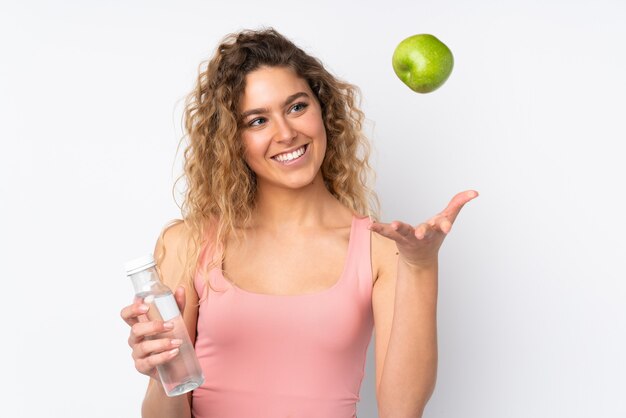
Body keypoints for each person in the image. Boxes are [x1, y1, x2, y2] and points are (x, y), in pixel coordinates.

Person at [120, 28, 477, 418]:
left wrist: (421, 265)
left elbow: (401, 410)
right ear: (231, 139)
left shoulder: (380, 249)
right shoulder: (188, 244)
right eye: (257, 121)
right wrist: (161, 374)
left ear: (324, 109)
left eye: (296, 107)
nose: (286, 133)